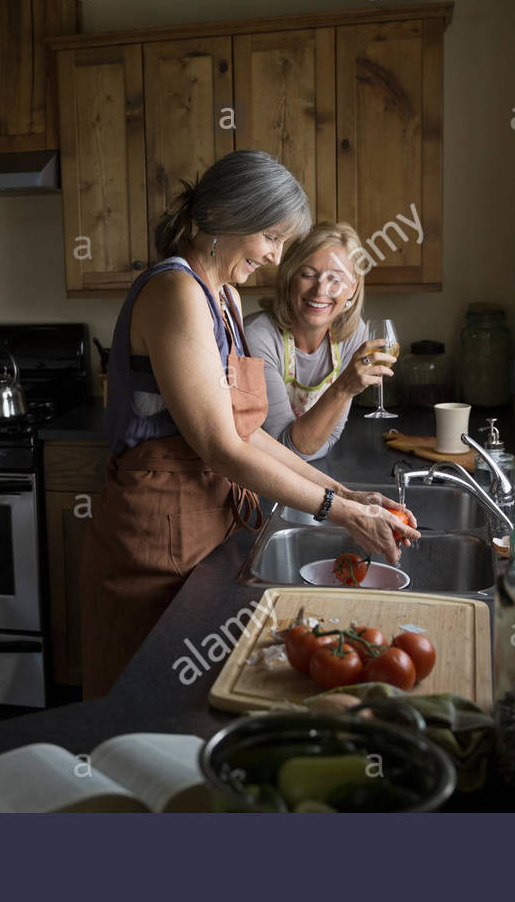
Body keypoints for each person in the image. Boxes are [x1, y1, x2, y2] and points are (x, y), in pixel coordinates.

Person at [79, 151, 418, 698]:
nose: (275, 257)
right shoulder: (177, 292)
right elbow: (220, 446)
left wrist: (344, 491)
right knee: (149, 704)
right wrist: (343, 514)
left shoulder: (225, 297)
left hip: (215, 520)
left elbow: (246, 432)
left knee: (207, 698)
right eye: (271, 238)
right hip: (157, 533)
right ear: (231, 217)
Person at [243, 222, 393, 460]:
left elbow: (330, 438)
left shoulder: (354, 335)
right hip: (254, 482)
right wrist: (344, 387)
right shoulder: (257, 337)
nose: (321, 290)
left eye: (336, 279)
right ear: (289, 277)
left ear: (352, 288)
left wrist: (309, 443)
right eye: (308, 275)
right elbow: (285, 450)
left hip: (311, 478)